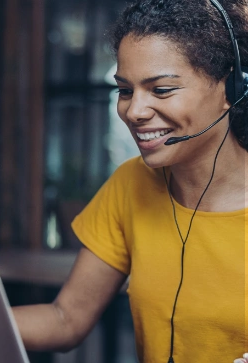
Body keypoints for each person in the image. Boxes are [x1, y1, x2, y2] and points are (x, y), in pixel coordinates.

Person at [12, 0, 248, 362]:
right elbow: (66, 319)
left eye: (162, 90)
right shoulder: (131, 183)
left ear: (230, 89)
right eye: (125, 90)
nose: (134, 112)